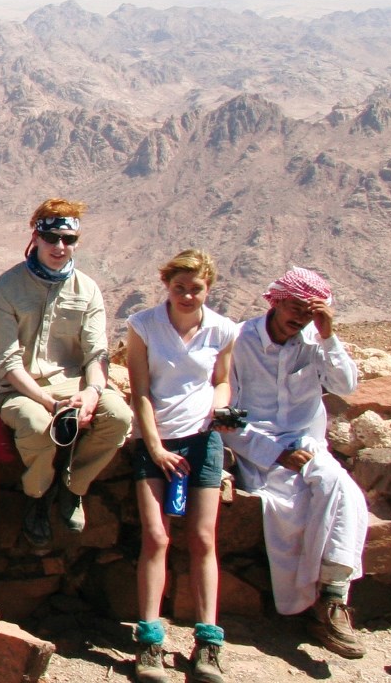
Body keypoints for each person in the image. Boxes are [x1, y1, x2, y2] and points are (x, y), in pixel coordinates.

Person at [223, 267, 367, 660]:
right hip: (260, 452)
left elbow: (346, 386)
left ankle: (334, 598)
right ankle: (317, 606)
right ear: (276, 300)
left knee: (340, 486)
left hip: (308, 445)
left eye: (310, 310)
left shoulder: (315, 340)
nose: (300, 316)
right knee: (290, 507)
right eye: (295, 306)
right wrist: (275, 453)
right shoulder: (239, 340)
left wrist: (328, 334)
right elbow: (225, 417)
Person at [0, 199, 132, 547]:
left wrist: (94, 392)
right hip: (17, 388)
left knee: (119, 418)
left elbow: (97, 353)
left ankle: (72, 487)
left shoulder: (88, 290)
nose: (59, 247)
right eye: (51, 238)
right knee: (37, 426)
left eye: (68, 240)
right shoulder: (6, 288)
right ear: (35, 237)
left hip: (76, 384)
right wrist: (50, 403)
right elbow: (7, 362)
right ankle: (37, 495)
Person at [124, 250, 240, 683]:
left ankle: (208, 643)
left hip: (202, 441)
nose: (188, 295)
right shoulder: (144, 325)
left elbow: (222, 380)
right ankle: (150, 640)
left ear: (208, 287)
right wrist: (154, 448)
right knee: (156, 536)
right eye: (179, 288)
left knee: (202, 537)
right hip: (156, 440)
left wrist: (221, 409)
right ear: (166, 286)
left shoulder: (223, 330)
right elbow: (140, 390)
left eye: (196, 288)